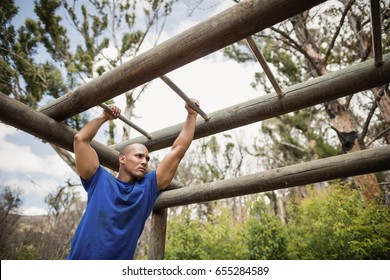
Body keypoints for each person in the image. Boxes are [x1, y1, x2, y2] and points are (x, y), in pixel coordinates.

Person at [66, 99, 199, 260]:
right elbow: (80, 139)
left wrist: (192, 115)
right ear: (122, 159)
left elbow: (178, 150)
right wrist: (104, 117)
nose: (145, 161)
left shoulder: (147, 188)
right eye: (139, 156)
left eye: (147, 159)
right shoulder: (98, 180)